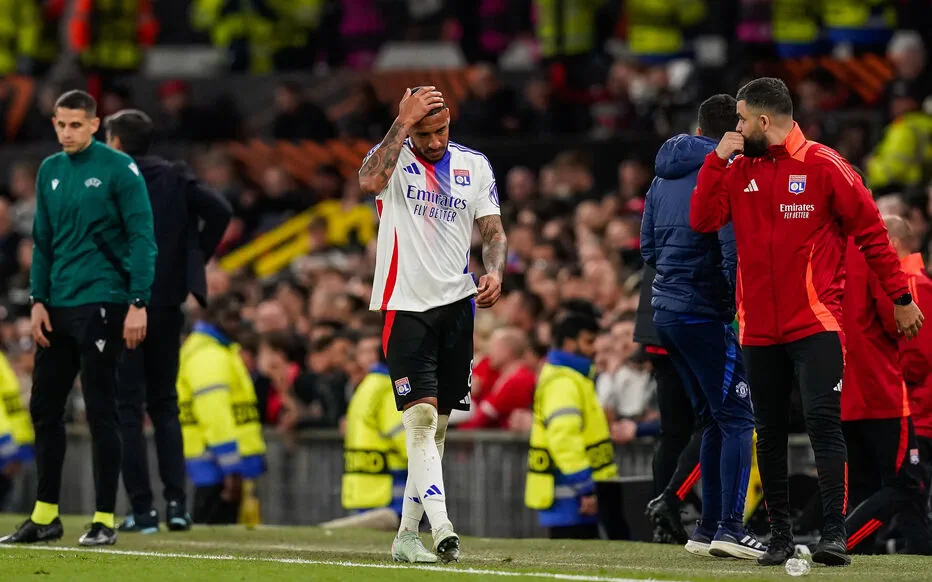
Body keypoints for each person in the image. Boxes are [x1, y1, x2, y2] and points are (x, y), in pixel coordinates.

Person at [691, 77, 924, 567]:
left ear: (762, 120)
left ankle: (834, 535)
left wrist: (901, 296)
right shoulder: (736, 169)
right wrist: (715, 162)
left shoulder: (824, 165)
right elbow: (704, 220)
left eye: (739, 118)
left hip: (816, 322)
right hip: (756, 326)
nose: (734, 127)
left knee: (822, 423)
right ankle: (779, 536)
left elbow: (873, 235)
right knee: (769, 430)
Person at [358, 85, 507, 563]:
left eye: (442, 130)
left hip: (457, 306)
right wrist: (401, 124)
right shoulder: (392, 158)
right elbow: (367, 182)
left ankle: (406, 536)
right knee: (419, 419)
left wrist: (496, 270)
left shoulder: (474, 165)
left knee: (437, 429)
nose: (436, 140)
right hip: (405, 304)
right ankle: (442, 527)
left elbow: (493, 230)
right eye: (425, 133)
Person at [1, 90, 157, 547]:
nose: (67, 132)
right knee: (44, 408)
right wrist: (37, 300)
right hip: (58, 306)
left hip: (103, 301)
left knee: (100, 408)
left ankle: (104, 518)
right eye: (61, 125)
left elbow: (142, 237)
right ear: (53, 124)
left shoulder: (119, 169)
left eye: (76, 125)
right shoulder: (49, 171)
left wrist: (139, 301)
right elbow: (44, 242)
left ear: (94, 124)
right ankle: (45, 516)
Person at [642, 93, 764, 559]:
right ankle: (731, 527)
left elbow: (648, 249)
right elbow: (731, 249)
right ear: (732, 129)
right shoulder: (727, 172)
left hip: (666, 312)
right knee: (738, 416)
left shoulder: (660, 176)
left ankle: (707, 529)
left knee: (714, 418)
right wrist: (734, 302)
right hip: (705, 312)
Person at [104, 108, 233, 534]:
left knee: (127, 408)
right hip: (168, 305)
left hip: (125, 304)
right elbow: (219, 210)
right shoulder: (175, 177)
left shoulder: (112, 178)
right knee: (164, 406)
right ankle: (178, 505)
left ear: (116, 141)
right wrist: (193, 256)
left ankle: (142, 511)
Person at [841, 214, 931, 555]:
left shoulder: (825, 248)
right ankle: (839, 539)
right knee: (909, 484)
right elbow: (905, 335)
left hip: (842, 389)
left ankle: (848, 549)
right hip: (884, 390)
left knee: (864, 485)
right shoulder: (877, 256)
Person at [524, 305, 618, 539]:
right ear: (569, 343)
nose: (594, 348)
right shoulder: (564, 382)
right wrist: (585, 488)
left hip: (575, 495)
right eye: (589, 341)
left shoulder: (570, 378)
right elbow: (564, 438)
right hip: (573, 498)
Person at [177, 294, 266, 525]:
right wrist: (231, 467)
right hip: (217, 465)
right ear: (214, 319)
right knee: (213, 534)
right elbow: (214, 414)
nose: (239, 325)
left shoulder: (218, 352)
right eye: (232, 319)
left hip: (219, 464)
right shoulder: (209, 356)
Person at [636, 263, 701, 545]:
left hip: (656, 327)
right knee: (718, 423)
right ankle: (674, 502)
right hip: (688, 323)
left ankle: (662, 519)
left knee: (673, 433)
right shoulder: (697, 217)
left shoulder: (655, 216)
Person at [340, 348, 407, 525]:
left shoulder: (367, 386)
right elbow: (404, 436)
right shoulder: (389, 389)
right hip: (389, 491)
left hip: (364, 487)